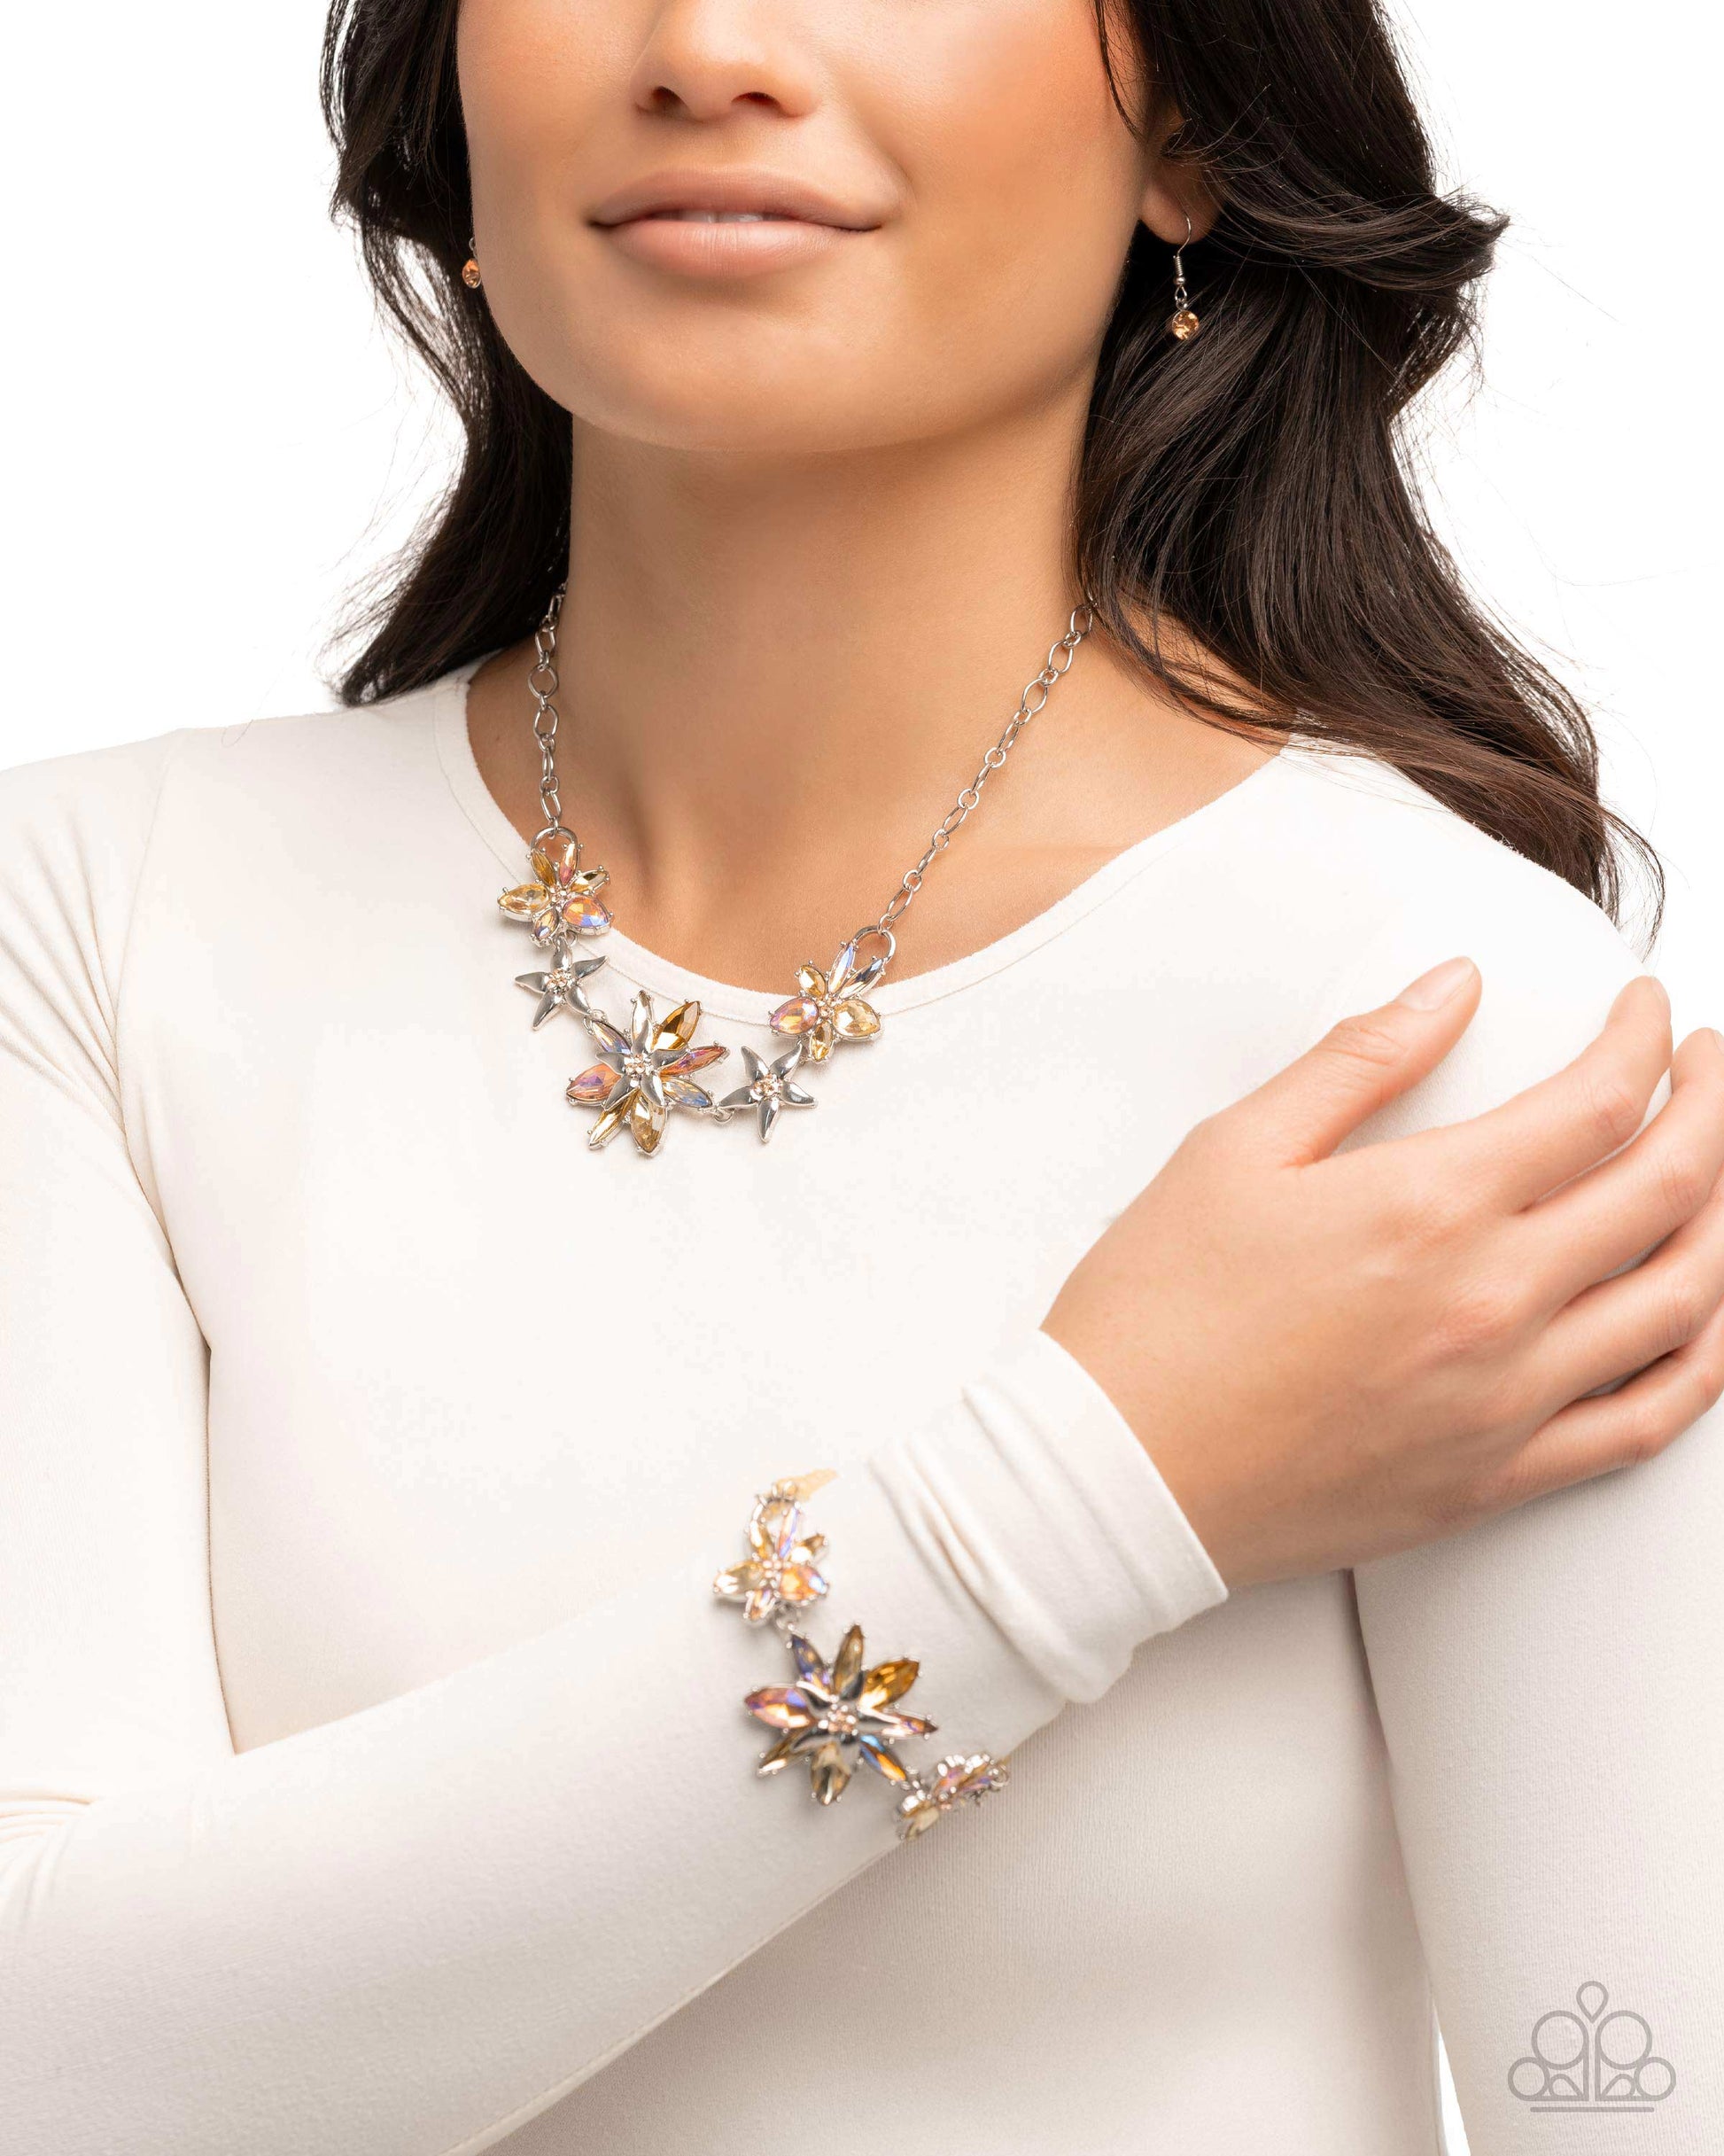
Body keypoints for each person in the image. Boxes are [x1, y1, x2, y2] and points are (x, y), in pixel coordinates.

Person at [2, 1, 1720, 2152]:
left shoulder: (1447, 1034)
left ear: (1188, 133)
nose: (708, 44)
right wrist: (1105, 1480)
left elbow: (1629, 2098)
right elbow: (48, 2063)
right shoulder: (94, 924)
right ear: (451, 106)